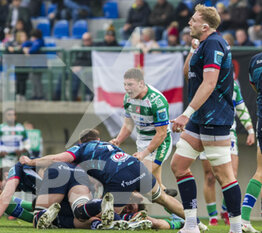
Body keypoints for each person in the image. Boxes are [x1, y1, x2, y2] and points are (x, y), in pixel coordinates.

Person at [170, 4, 241, 233]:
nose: (189, 22)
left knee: (223, 175)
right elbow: (188, 73)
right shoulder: (203, 44)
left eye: (193, 19)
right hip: (199, 119)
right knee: (179, 166)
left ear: (205, 25)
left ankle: (237, 228)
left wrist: (185, 114)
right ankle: (191, 225)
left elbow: (209, 84)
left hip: (214, 118)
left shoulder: (214, 44)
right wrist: (193, 49)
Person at [21, 129, 186, 219]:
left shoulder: (81, 148)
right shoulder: (109, 146)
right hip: (137, 167)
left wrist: (32, 162)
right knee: (164, 199)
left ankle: (124, 217)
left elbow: (57, 158)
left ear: (80, 141)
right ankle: (194, 223)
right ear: (97, 139)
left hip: (119, 178)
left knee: (103, 218)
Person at [110, 68, 176, 196]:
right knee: (156, 190)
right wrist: (118, 140)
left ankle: (124, 212)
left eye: (130, 84)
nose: (127, 88)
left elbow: (161, 134)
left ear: (141, 83)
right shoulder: (128, 98)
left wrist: (143, 153)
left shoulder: (157, 101)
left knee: (137, 178)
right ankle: (177, 214)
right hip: (141, 141)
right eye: (125, 84)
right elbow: (128, 125)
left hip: (159, 143)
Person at [200, 80, 255, 226]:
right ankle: (212, 216)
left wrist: (250, 129)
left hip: (228, 133)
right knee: (210, 176)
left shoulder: (234, 84)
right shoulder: (204, 80)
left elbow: (240, 107)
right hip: (207, 132)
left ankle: (225, 210)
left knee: (232, 175)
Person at [239, 50, 262, 233]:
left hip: (261, 118)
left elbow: (254, 86)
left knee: (260, 171)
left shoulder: (255, 60)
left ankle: (245, 220)